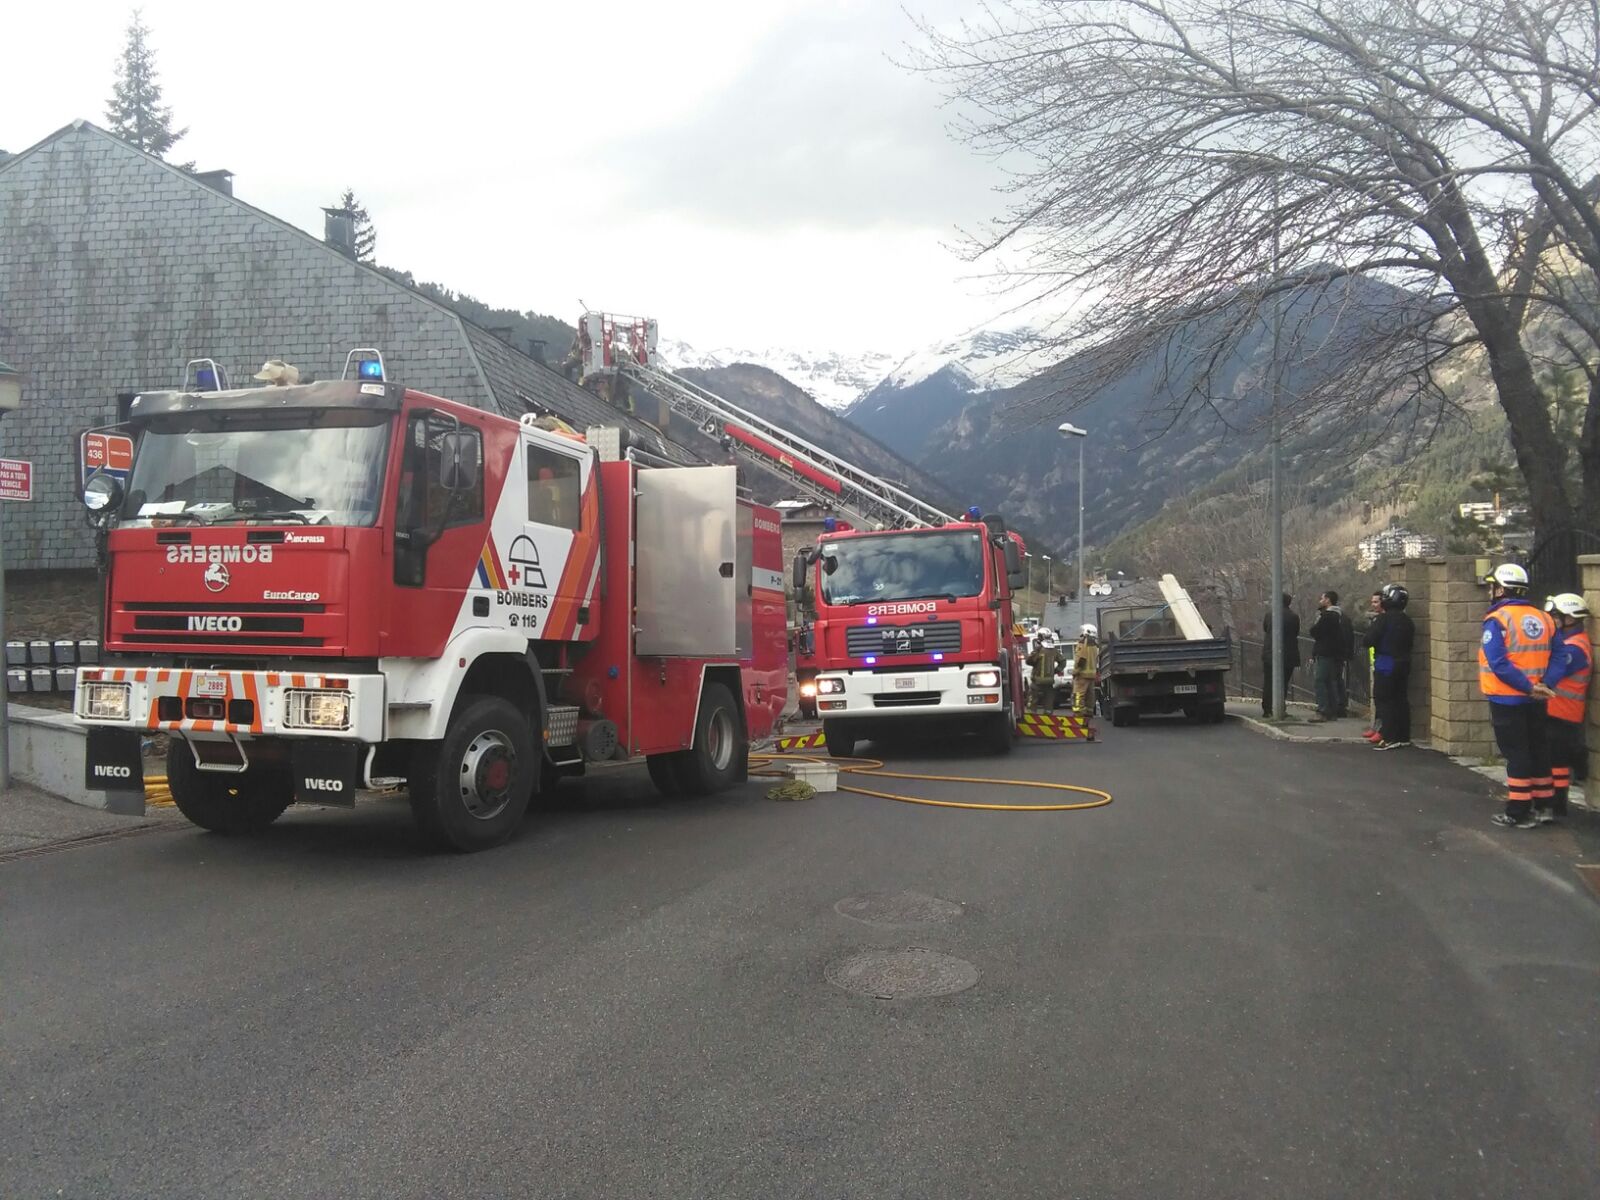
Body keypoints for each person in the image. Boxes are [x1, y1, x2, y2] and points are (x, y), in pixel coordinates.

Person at [1480, 563, 1555, 829]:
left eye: (1492, 586)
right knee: (1538, 749)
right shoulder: (1544, 618)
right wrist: (1543, 684)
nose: (1490, 591)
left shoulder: (1497, 620)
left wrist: (1526, 686)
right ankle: (1545, 806)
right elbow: (1558, 655)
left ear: (1501, 590)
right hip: (1537, 698)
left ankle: (1518, 811)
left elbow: (1499, 663)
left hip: (1507, 698)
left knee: (1517, 753)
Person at [1533, 593, 1591, 824]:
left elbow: (1551, 668)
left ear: (1571, 618)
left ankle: (1555, 806)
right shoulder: (1568, 643)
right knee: (1553, 761)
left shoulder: (1575, 648)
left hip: (1562, 714)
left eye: (1556, 616)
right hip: (1556, 712)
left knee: (1556, 763)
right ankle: (1552, 805)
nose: (1553, 620)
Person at [1364, 583, 1414, 748]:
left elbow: (1369, 640)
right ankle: (1403, 736)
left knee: (1384, 699)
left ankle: (1389, 736)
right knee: (1401, 699)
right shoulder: (1407, 621)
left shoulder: (1383, 619)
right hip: (1404, 662)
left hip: (1386, 663)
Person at [1308, 591, 1349, 721]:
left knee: (1320, 680)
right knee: (1331, 681)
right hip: (1335, 653)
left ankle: (1323, 710)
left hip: (1325, 652)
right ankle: (1333, 709)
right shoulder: (1340, 616)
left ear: (1328, 600)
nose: (1320, 601)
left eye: (1322, 598)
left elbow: (1314, 631)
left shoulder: (1327, 616)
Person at [1260, 593, 1301, 716]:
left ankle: (1267, 710)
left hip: (1270, 653)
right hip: (1288, 654)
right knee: (1283, 683)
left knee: (1269, 682)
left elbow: (1265, 628)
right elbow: (1296, 632)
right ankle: (1280, 708)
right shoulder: (1294, 617)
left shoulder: (1270, 615)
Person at [1026, 632, 1062, 711]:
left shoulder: (1039, 650)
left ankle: (1031, 713)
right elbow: (1062, 661)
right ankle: (1048, 713)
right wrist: (1055, 671)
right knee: (1048, 700)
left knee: (1033, 697)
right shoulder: (1054, 650)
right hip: (1049, 681)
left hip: (1038, 680)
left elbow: (1029, 661)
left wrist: (1035, 651)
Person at [1072, 623, 1100, 715]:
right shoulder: (1095, 645)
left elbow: (1081, 659)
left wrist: (1075, 672)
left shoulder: (1083, 643)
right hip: (1091, 675)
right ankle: (1089, 712)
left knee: (1078, 694)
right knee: (1090, 695)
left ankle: (1079, 713)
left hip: (1082, 674)